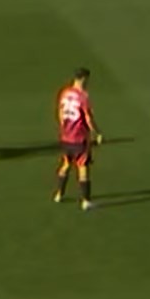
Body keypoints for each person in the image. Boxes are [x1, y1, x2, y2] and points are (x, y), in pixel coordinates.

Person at [54, 68, 98, 210]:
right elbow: (88, 117)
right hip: (79, 138)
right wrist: (97, 132)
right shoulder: (83, 96)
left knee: (66, 164)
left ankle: (59, 194)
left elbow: (60, 112)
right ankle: (86, 201)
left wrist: (64, 128)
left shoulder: (65, 92)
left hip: (66, 136)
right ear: (83, 78)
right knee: (83, 166)